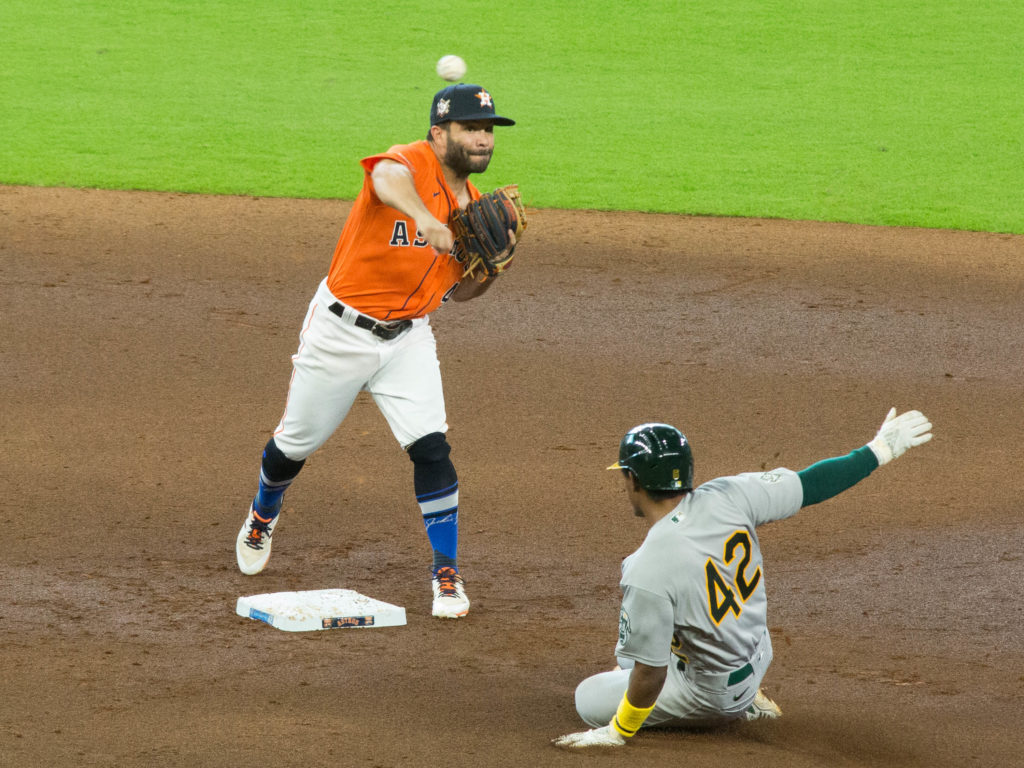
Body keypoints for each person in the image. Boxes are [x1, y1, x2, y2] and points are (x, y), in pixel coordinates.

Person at [234, 83, 518, 619]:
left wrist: (494, 268)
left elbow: (461, 292)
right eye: (471, 129)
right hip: (340, 331)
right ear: (440, 134)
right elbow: (384, 178)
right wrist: (428, 220)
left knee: (431, 447)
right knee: (294, 445)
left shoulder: (479, 210)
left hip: (409, 337)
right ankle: (263, 512)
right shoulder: (409, 162)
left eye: (488, 131)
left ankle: (446, 574)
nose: (483, 139)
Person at [554, 407, 933, 748]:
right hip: (758, 651)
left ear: (633, 481)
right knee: (642, 645)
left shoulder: (647, 566)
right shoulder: (731, 495)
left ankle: (734, 709)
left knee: (591, 695)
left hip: (711, 693)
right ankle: (748, 695)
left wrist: (618, 730)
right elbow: (811, 484)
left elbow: (650, 674)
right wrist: (878, 450)